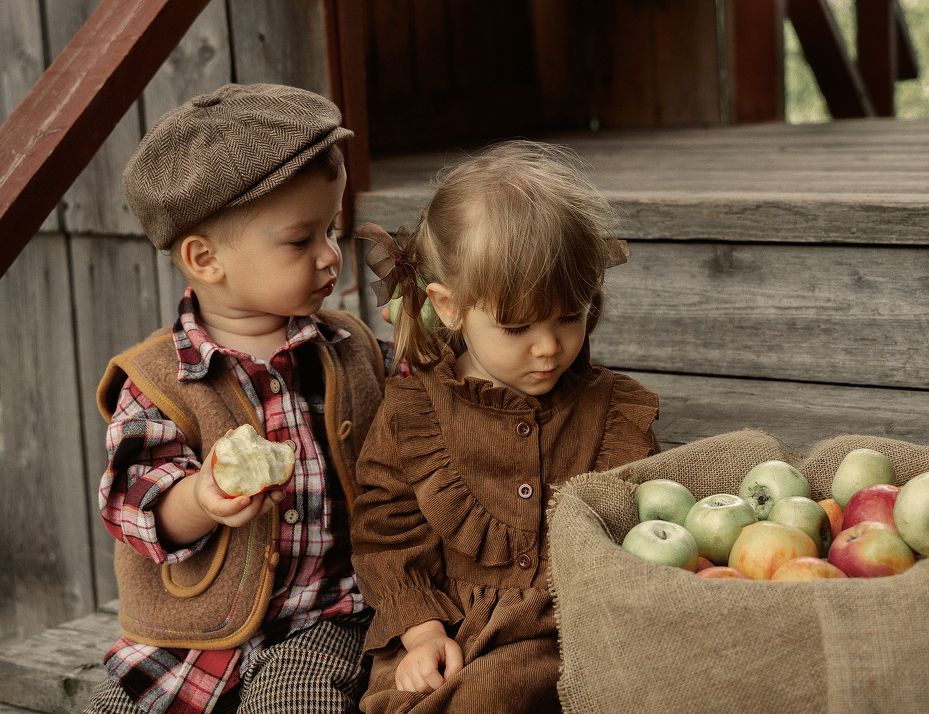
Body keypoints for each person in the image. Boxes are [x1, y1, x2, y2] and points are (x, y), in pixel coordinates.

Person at [85, 83, 391, 713]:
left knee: (296, 704)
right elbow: (133, 506)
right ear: (205, 259)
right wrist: (200, 498)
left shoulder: (351, 349)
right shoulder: (158, 380)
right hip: (192, 635)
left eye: (331, 230)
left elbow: (427, 406)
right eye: (301, 240)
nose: (330, 256)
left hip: (324, 617)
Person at [350, 140, 662, 713]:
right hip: (451, 629)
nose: (548, 348)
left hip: (571, 629)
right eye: (517, 328)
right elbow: (387, 533)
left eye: (569, 317)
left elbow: (644, 520)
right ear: (449, 306)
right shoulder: (416, 413)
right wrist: (421, 633)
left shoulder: (613, 412)